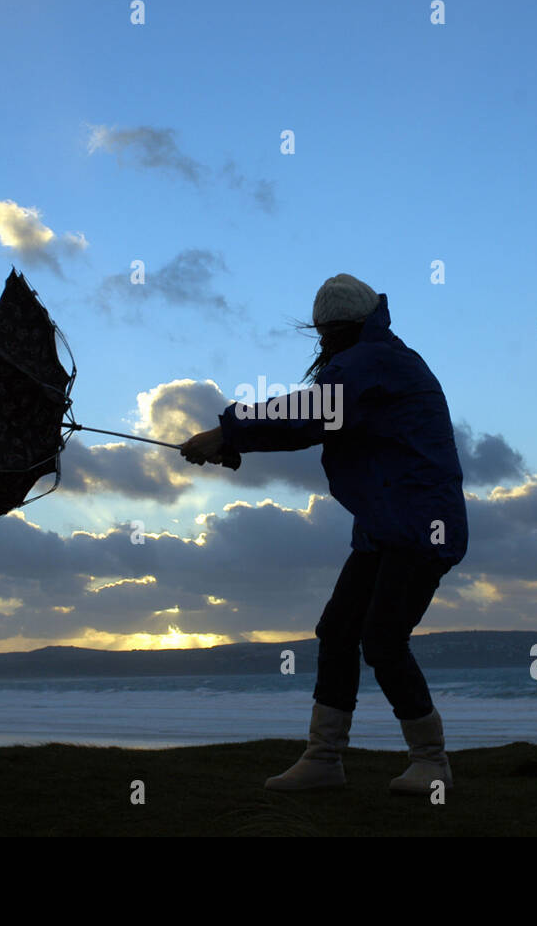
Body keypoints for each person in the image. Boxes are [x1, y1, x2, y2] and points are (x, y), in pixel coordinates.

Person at [180, 274, 468, 794]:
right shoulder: (375, 358)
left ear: (339, 329)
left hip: (420, 526)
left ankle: (432, 761)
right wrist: (234, 443)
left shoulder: (369, 362)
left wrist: (228, 431)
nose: (324, 341)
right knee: (338, 631)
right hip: (387, 527)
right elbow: (315, 423)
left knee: (382, 639)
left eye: (327, 331)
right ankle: (325, 759)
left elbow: (312, 413)